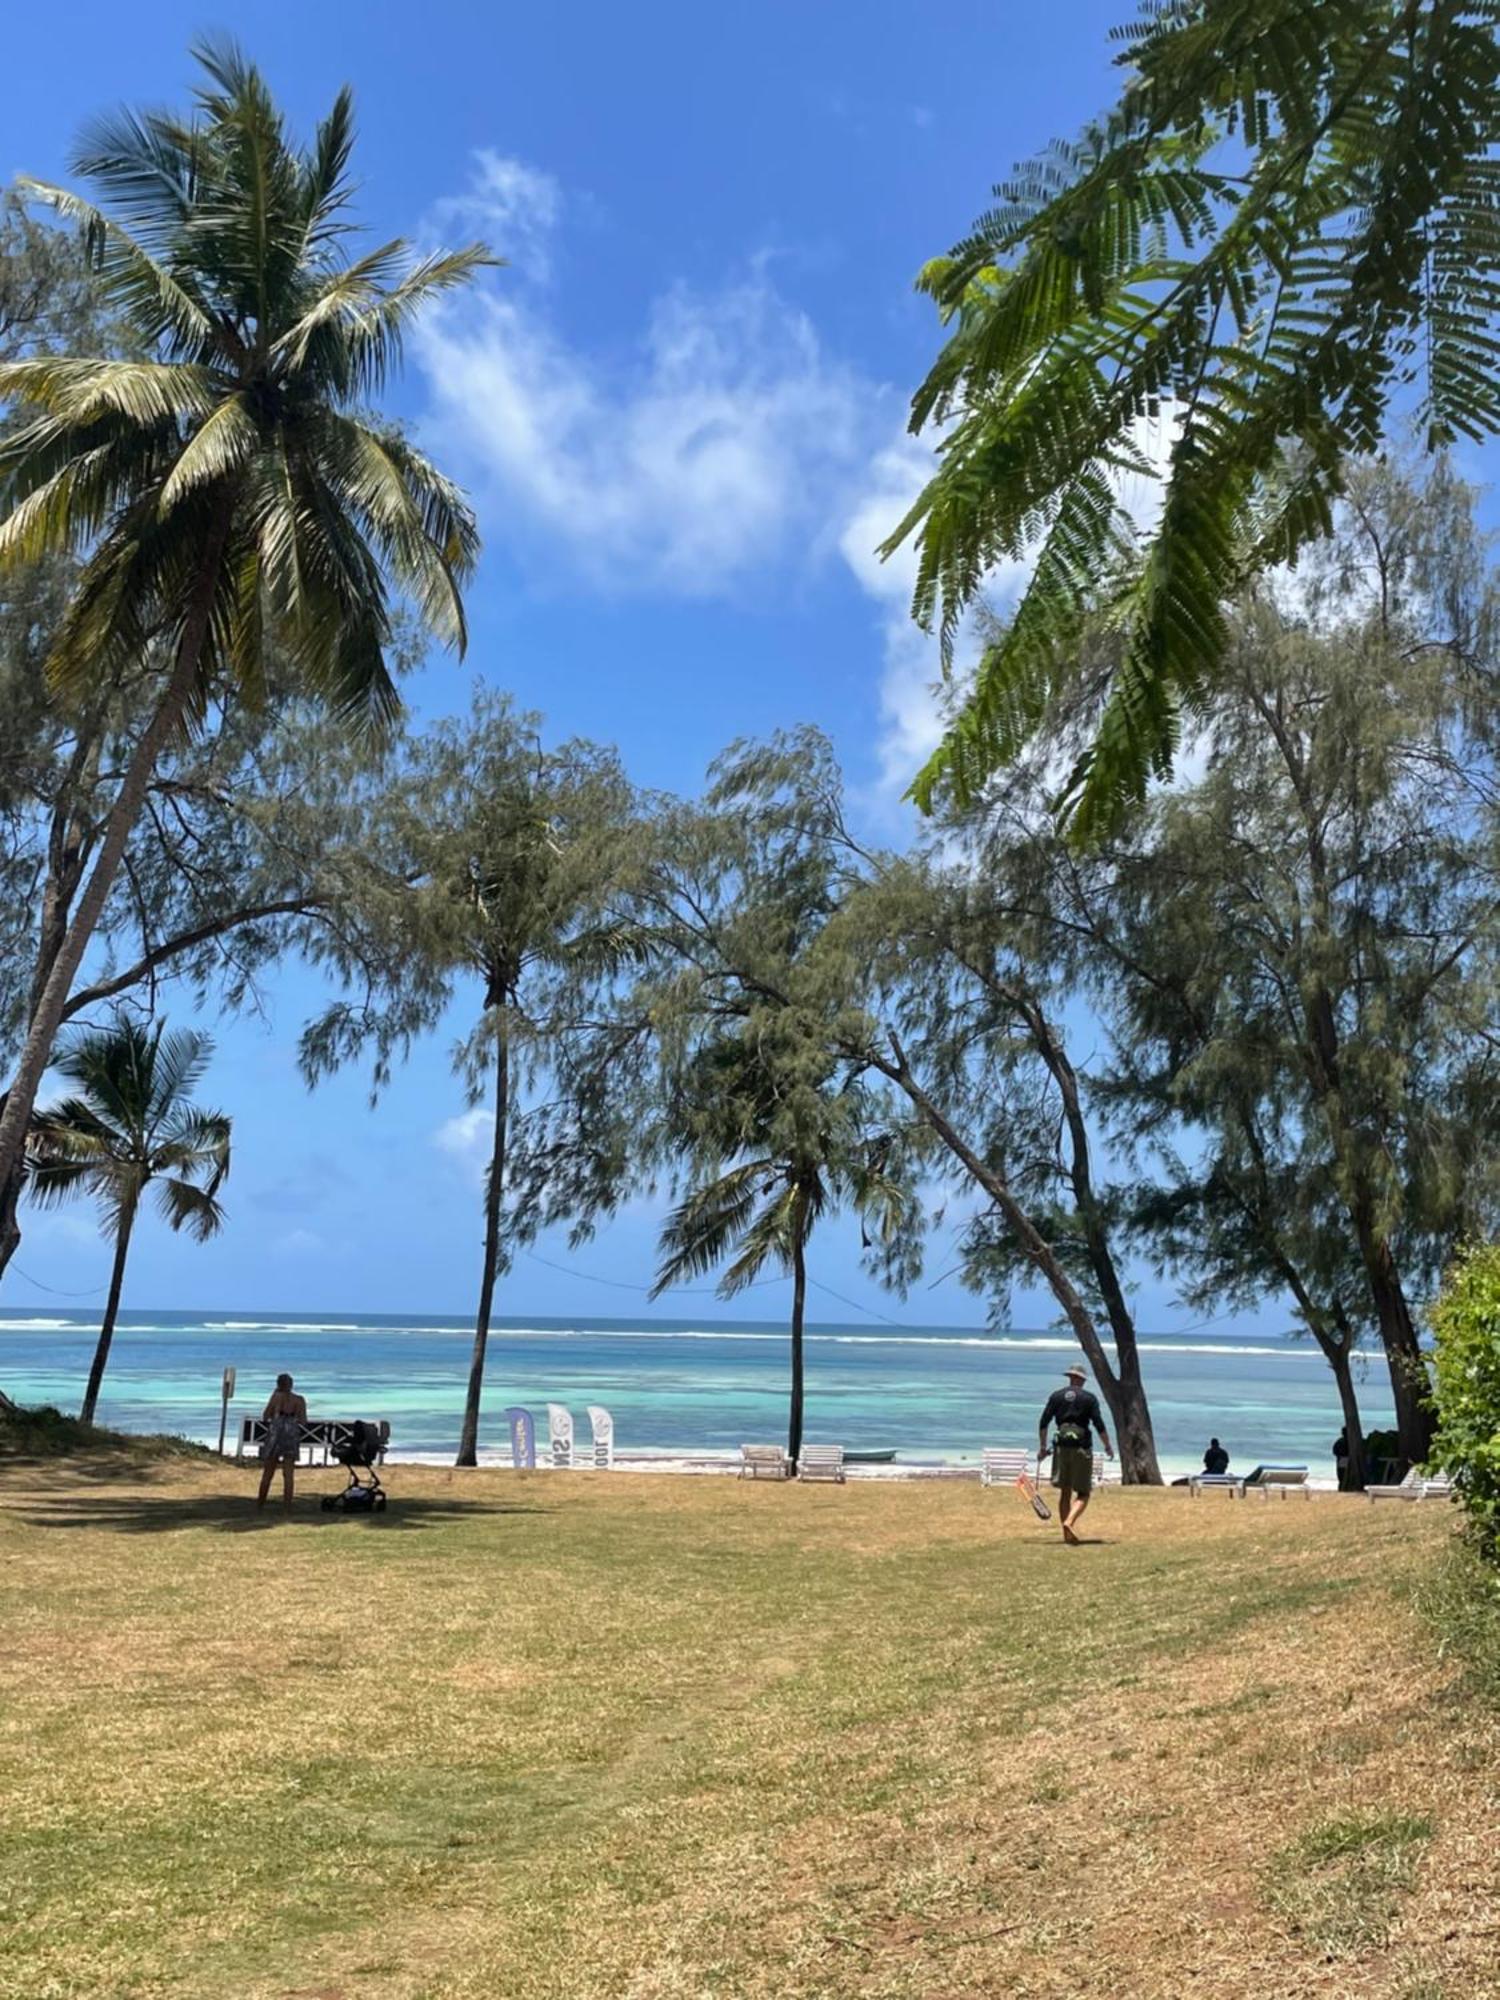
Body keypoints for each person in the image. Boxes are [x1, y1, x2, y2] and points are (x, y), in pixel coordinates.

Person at [1038, 1363, 1114, 1544]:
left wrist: (1042, 1447)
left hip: (1061, 1447)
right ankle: (1069, 1522)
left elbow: (1043, 1422)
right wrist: (1108, 1445)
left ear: (1070, 1377)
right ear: (1081, 1379)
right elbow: (1098, 1424)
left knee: (1065, 1491)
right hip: (1081, 1447)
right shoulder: (1089, 1398)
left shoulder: (1056, 1396)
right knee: (1083, 1492)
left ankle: (1067, 1534)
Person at [256, 1373, 307, 1512]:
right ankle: (287, 1507)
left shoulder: (276, 1398)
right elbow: (303, 1420)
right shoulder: (299, 1399)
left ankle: (260, 1504)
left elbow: (265, 1416)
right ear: (291, 1384)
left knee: (268, 1472)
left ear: (278, 1384)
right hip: (291, 1432)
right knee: (289, 1473)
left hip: (276, 1432)